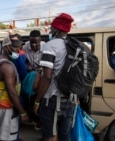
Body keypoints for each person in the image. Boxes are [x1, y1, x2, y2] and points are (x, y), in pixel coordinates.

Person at [33, 13, 76, 141]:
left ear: (57, 29)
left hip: (51, 99)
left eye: (52, 27)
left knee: (49, 136)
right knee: (65, 134)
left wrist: (37, 101)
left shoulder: (50, 46)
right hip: (70, 99)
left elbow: (47, 77)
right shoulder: (73, 46)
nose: (50, 30)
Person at [0, 34, 29, 141]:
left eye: (19, 47)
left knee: (7, 135)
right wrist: (23, 112)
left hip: (4, 105)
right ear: (6, 47)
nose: (18, 50)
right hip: (8, 107)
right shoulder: (7, 66)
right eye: (15, 47)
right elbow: (12, 93)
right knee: (9, 137)